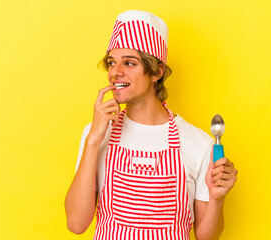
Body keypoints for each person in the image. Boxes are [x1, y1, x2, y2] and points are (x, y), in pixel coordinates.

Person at [65, 10, 238, 240]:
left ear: (157, 71)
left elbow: (206, 237)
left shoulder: (198, 143)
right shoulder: (96, 134)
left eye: (129, 62)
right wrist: (92, 141)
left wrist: (218, 198)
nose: (115, 72)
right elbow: (76, 224)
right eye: (111, 62)